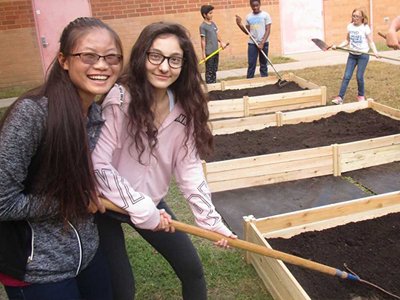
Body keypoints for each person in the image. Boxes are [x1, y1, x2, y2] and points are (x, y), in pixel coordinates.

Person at [92, 21, 237, 300]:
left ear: (184, 64)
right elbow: (99, 164)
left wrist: (210, 220)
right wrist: (137, 205)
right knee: (123, 290)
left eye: (174, 59)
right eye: (155, 56)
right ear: (142, 56)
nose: (163, 67)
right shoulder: (121, 99)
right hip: (106, 206)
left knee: (191, 269)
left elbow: (189, 168)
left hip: (151, 203)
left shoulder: (185, 106)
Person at [0, 17, 123, 300]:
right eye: (89, 56)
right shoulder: (32, 114)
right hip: (37, 270)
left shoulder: (93, 115)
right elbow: (3, 202)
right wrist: (69, 201)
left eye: (111, 57)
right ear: (64, 60)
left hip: (87, 255)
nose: (102, 65)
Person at [331, 8, 379, 105]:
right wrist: (338, 46)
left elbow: (370, 41)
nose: (355, 18)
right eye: (353, 16)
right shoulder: (350, 27)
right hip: (352, 55)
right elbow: (347, 41)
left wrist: (375, 52)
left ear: (362, 17)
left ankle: (361, 96)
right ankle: (340, 97)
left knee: (359, 77)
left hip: (363, 55)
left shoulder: (365, 27)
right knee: (347, 76)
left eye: (357, 16)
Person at [235, 0, 272, 78]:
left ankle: (265, 81)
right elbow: (247, 32)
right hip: (252, 43)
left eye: (257, 5)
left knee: (263, 64)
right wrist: (239, 24)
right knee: (251, 64)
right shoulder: (249, 17)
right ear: (250, 5)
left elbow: (268, 30)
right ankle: (249, 82)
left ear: (260, 4)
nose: (255, 8)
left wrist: (262, 42)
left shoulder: (265, 15)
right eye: (253, 6)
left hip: (264, 42)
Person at [199, 4, 227, 84]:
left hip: (216, 51)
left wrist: (221, 42)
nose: (212, 15)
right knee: (209, 71)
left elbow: (217, 34)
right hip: (209, 52)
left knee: (214, 69)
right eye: (210, 13)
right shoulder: (203, 26)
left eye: (212, 13)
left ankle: (214, 84)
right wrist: (203, 53)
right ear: (205, 15)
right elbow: (203, 40)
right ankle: (210, 87)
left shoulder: (213, 24)